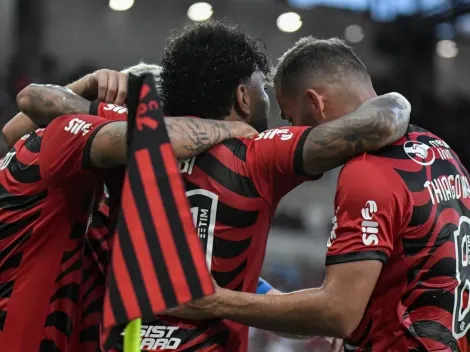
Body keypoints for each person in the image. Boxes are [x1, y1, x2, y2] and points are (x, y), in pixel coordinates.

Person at [169, 37, 470, 352]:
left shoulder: (367, 172)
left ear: (315, 103)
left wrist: (217, 302)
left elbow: (338, 313)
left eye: (290, 118)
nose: (293, 128)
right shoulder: (443, 152)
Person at [136, 21, 411, 352]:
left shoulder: (131, 148)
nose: (275, 108)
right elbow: (382, 120)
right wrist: (398, 99)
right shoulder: (259, 154)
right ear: (242, 97)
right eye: (262, 89)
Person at [0, 70, 256, 352]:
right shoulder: (65, 139)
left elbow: (11, 129)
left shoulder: (62, 176)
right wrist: (232, 130)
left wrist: (86, 85)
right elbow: (153, 138)